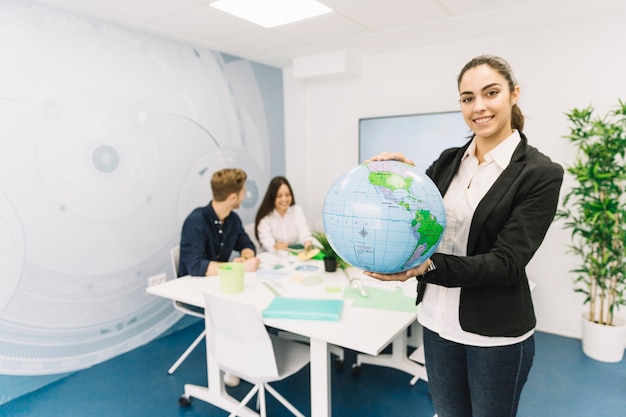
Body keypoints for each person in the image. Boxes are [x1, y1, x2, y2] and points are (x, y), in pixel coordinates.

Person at [364, 55, 564, 417]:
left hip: (495, 333)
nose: (479, 106)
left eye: (491, 93)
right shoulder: (447, 161)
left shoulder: (540, 173)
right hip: (436, 322)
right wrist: (403, 180)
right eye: (467, 98)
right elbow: (416, 213)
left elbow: (506, 264)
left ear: (514, 94)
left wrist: (425, 268)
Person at [179, 168, 260, 277]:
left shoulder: (233, 220)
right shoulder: (195, 222)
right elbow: (196, 266)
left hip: (219, 282)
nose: (244, 197)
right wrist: (237, 267)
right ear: (233, 197)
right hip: (191, 287)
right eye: (243, 192)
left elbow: (247, 245)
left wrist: (244, 258)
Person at [254, 176, 315, 253]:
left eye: (287, 195)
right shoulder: (266, 218)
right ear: (272, 197)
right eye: (279, 196)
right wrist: (275, 246)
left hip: (293, 254)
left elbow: (304, 231)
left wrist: (308, 242)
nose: (284, 199)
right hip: (273, 255)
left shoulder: (297, 210)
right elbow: (266, 240)